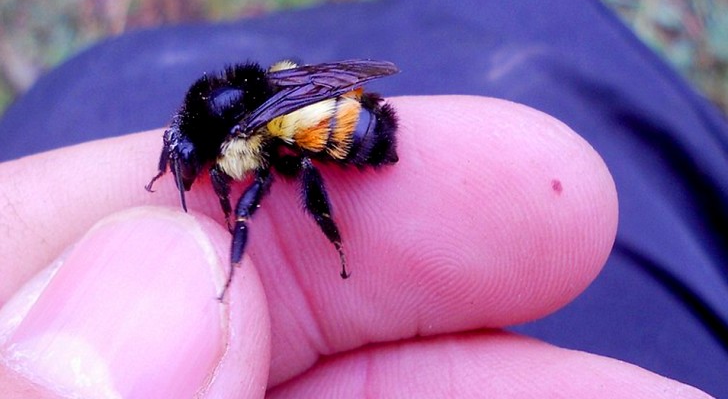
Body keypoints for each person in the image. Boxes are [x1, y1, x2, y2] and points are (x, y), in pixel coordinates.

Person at [0, 96, 711, 397]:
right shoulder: (234, 119)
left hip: (342, 129)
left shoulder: (240, 140)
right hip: (328, 105)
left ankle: (283, 258)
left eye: (186, 163)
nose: (191, 175)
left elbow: (248, 174)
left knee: (291, 174)